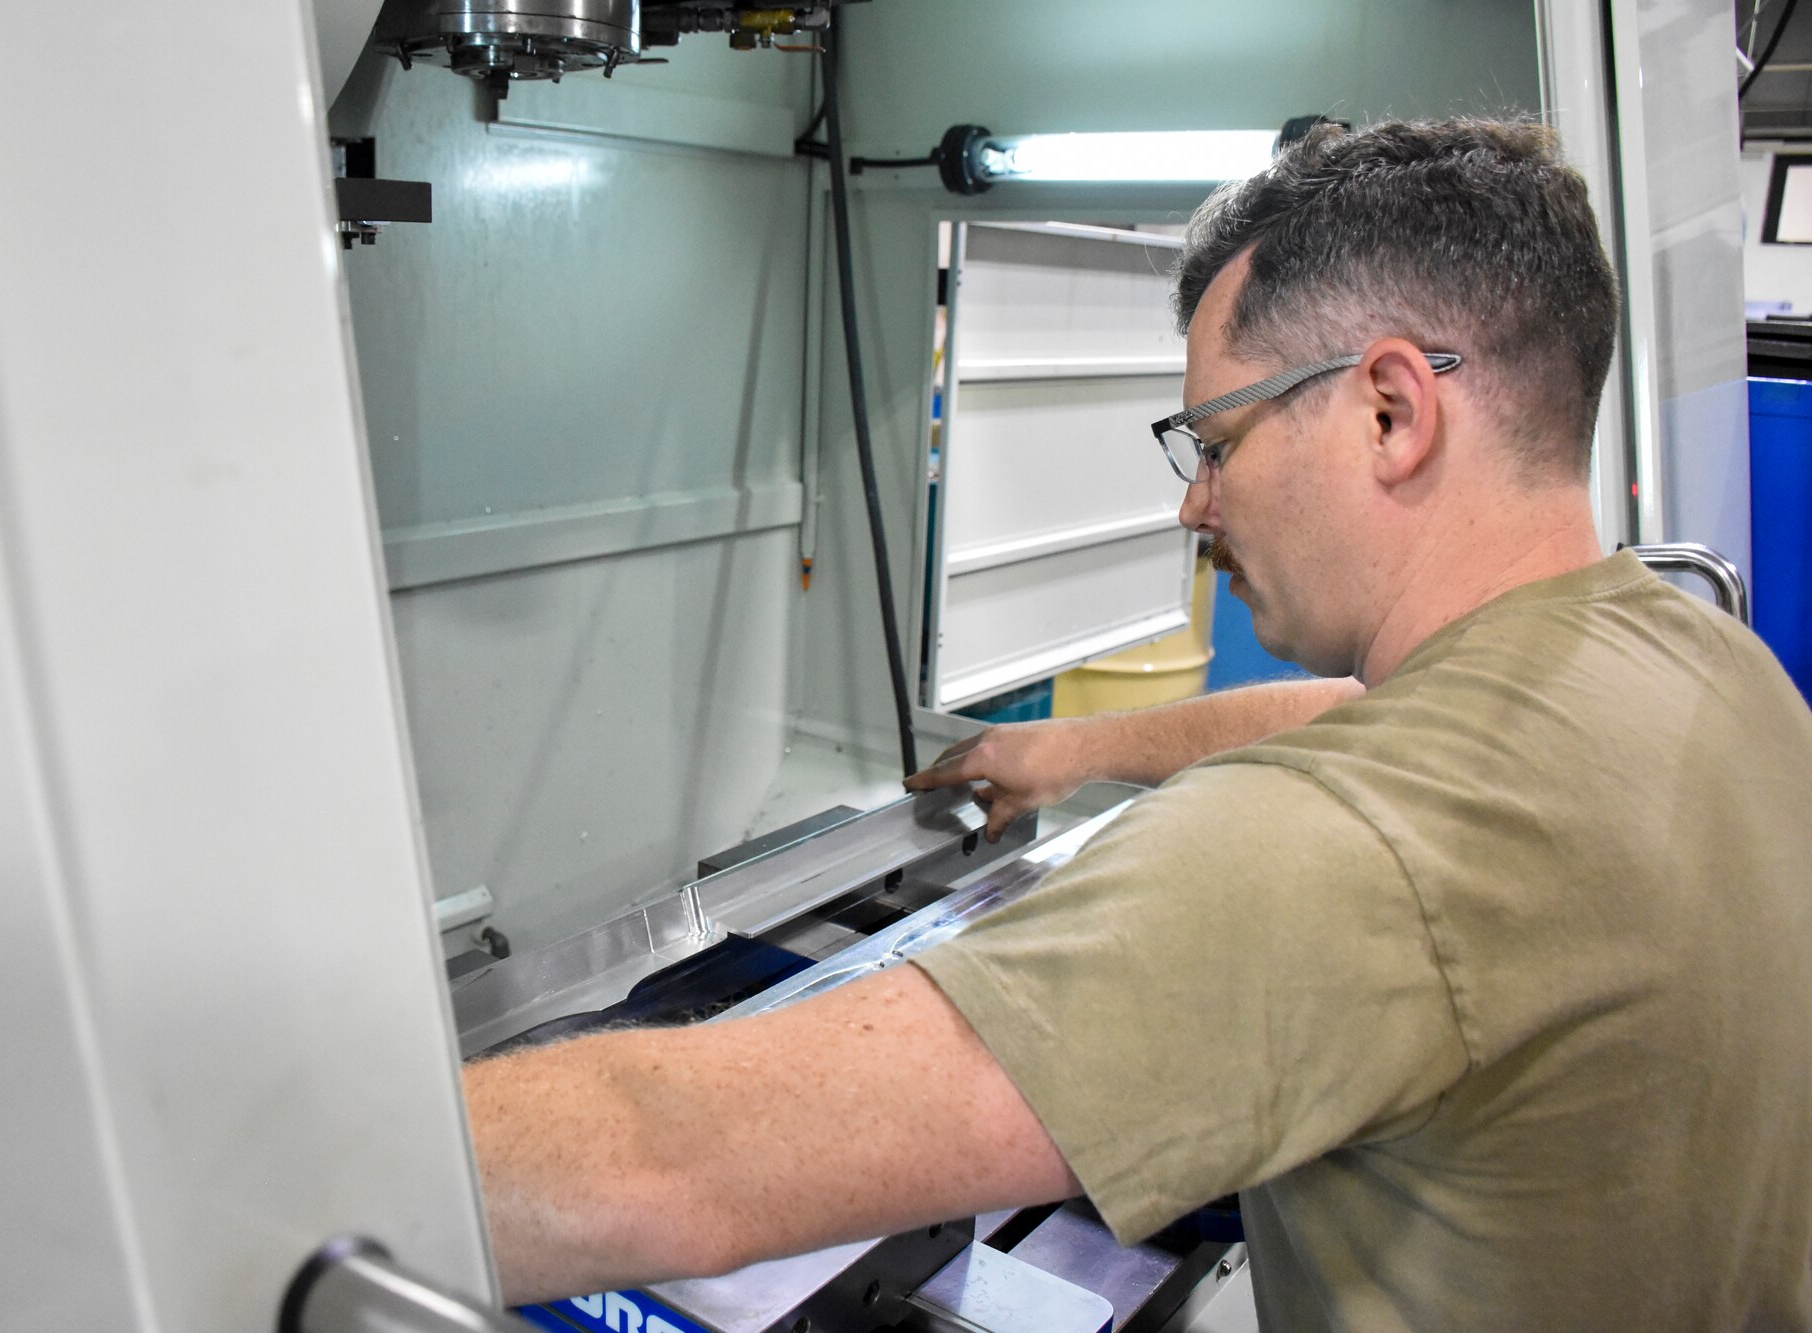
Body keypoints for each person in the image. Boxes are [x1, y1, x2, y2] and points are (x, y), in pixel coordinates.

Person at [461, 120, 1812, 1328]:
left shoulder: (1336, 854)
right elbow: (1364, 719)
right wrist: (1073, 747)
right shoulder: (1697, 655)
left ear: (1392, 410)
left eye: (1214, 442)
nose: (1194, 506)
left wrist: (301, 1137)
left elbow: (674, 1156)